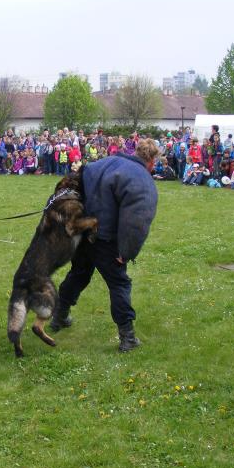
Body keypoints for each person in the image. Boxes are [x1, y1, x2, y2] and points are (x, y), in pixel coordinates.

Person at [49, 139, 159, 352]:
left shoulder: (102, 163)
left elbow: (72, 186)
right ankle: (127, 337)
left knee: (78, 274)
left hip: (82, 232)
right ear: (152, 162)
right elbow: (137, 221)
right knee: (119, 284)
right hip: (106, 240)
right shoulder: (141, 179)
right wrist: (126, 253)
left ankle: (59, 316)